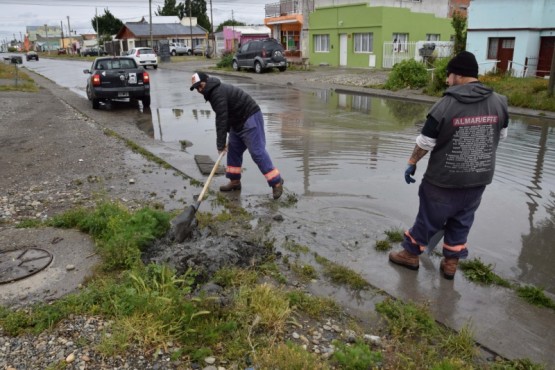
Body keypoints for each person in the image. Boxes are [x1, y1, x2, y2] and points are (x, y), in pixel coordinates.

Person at [389, 51, 509, 280]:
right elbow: (501, 136)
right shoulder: (500, 103)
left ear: (458, 75)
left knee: (428, 217)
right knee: (462, 220)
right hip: (478, 179)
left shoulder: (445, 104)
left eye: (449, 75)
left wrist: (412, 162)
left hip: (443, 180)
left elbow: (425, 141)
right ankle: (451, 264)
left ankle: (410, 255)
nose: (446, 80)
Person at [189, 72, 284, 199]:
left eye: (200, 86)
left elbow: (221, 119)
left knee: (257, 152)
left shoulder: (217, 93)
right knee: (233, 150)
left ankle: (276, 182)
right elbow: (226, 115)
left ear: (207, 81)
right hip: (237, 122)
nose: (200, 90)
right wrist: (228, 134)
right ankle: (235, 182)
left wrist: (220, 144)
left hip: (250, 117)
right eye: (197, 88)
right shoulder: (212, 93)